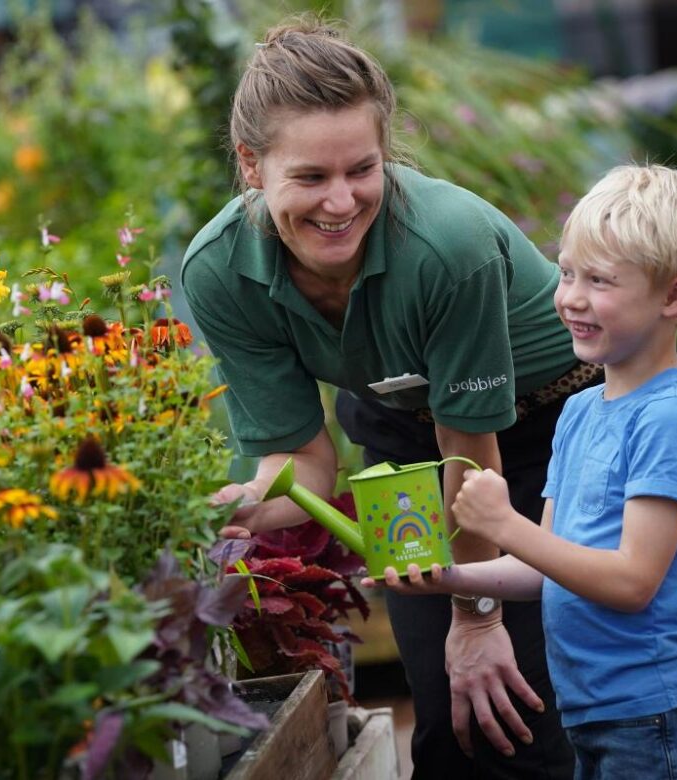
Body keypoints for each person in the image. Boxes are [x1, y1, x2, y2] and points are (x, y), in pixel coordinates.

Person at [180, 15, 595, 778]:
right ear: (250, 164)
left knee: (519, 715)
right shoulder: (219, 271)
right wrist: (247, 500)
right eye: (309, 177)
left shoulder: (448, 247)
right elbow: (305, 462)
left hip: (551, 433)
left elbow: (472, 455)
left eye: (360, 170)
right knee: (450, 718)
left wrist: (476, 613)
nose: (340, 202)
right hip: (405, 435)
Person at [374, 163, 677, 779]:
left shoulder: (669, 422)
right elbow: (544, 566)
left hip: (661, 721)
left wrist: (503, 523)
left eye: (599, 280)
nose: (570, 297)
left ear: (674, 296)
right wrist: (448, 578)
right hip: (593, 715)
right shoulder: (577, 412)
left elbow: (631, 582)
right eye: (566, 271)